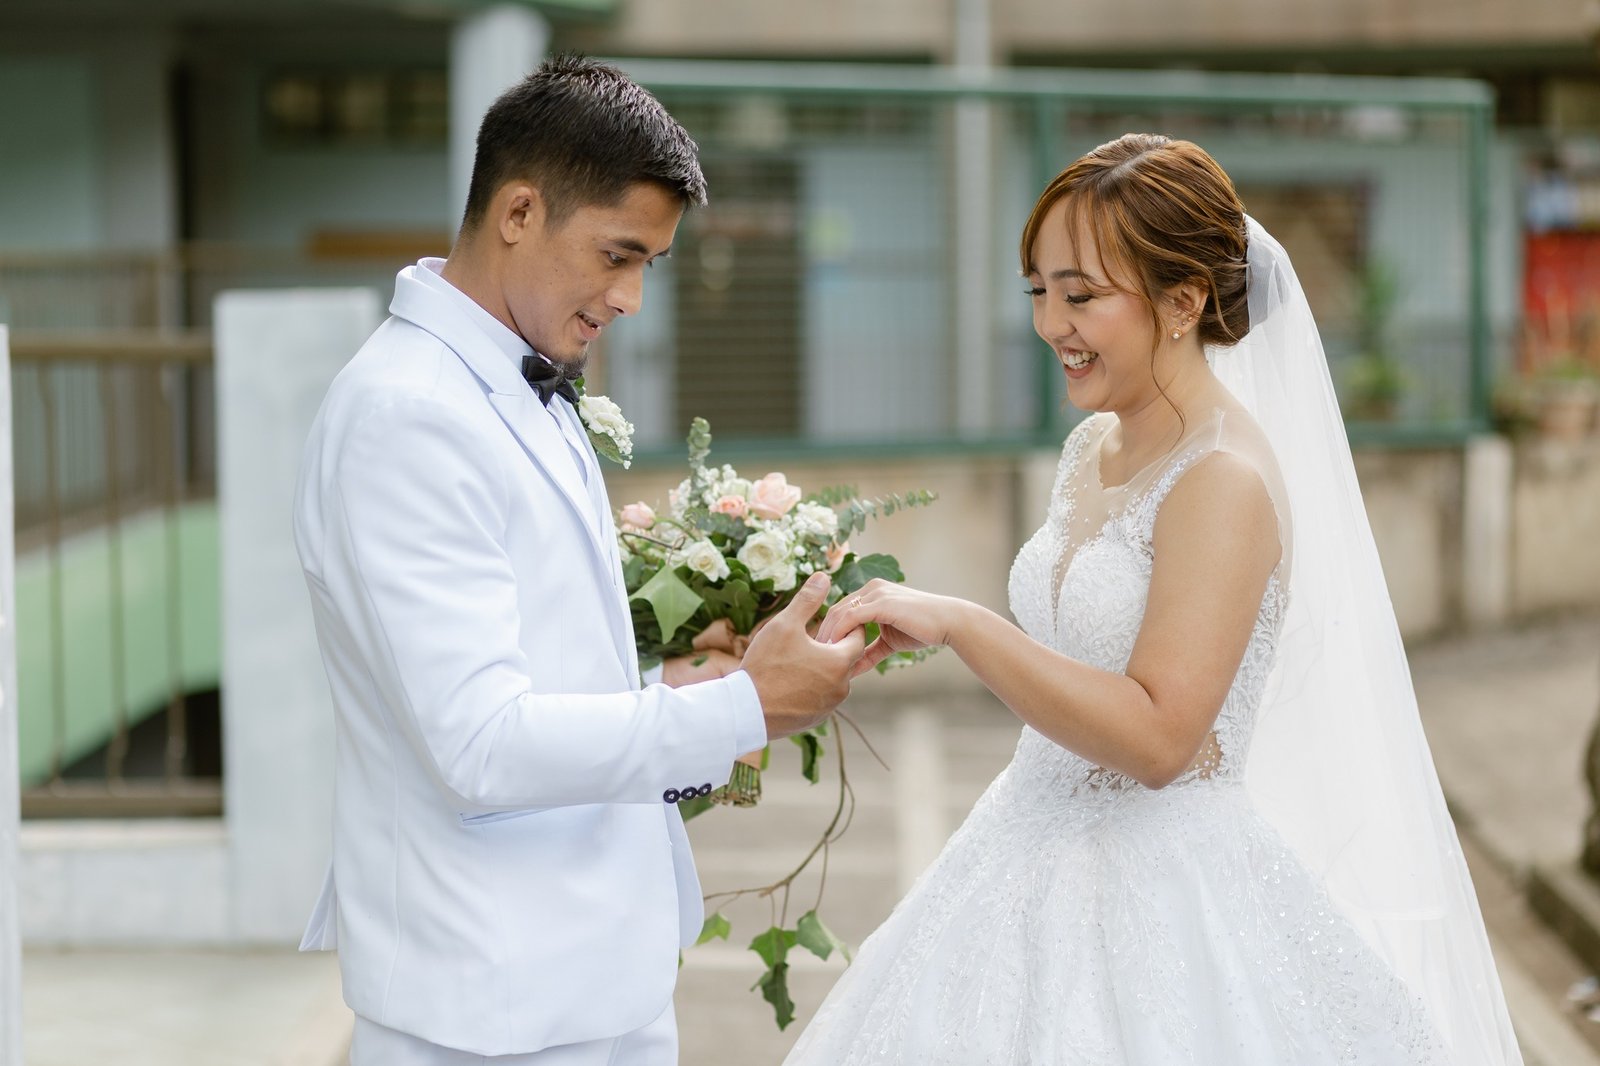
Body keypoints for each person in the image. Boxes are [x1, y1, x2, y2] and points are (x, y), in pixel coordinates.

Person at [787, 134, 1522, 1064]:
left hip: (1162, 896)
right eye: (1038, 291)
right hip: (1018, 848)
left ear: (1183, 302)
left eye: (1081, 295)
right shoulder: (1091, 447)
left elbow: (1161, 739)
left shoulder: (1222, 479)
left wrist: (966, 626)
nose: (1050, 324)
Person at [292, 55, 863, 1066]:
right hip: (489, 1005)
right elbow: (479, 744)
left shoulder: (522, 373)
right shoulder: (406, 415)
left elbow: (545, 668)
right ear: (518, 211)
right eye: (616, 254)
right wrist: (743, 709)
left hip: (593, 977)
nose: (631, 296)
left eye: (649, 264)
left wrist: (680, 685)